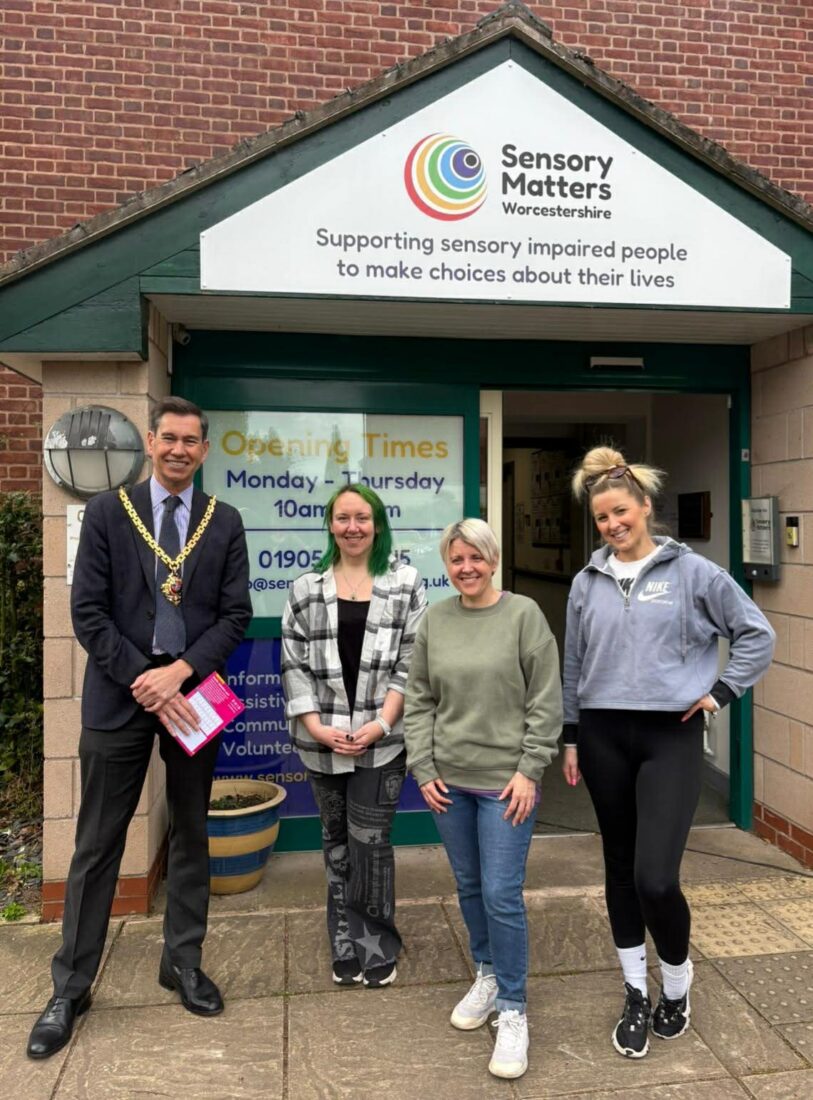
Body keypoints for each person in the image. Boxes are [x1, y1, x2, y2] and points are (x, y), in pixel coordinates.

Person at [27, 396, 252, 1060]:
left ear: (204, 451)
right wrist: (144, 677)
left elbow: (234, 615)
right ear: (150, 442)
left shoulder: (225, 521)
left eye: (193, 440)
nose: (180, 450)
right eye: (170, 438)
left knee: (190, 833)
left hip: (193, 694)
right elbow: (88, 612)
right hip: (121, 694)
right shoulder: (106, 513)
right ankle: (70, 987)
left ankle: (182, 963)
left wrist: (178, 672)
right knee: (97, 844)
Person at [562, 445, 775, 1060]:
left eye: (621, 512)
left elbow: (757, 634)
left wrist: (720, 693)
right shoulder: (586, 581)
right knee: (619, 871)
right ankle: (634, 991)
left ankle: (676, 987)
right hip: (603, 735)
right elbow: (574, 664)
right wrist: (572, 737)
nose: (613, 524)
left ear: (645, 506)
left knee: (656, 876)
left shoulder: (694, 573)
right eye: (602, 517)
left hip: (670, 736)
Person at [404, 518, 562, 1080]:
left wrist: (529, 769)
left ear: (492, 560)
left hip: (506, 785)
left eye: (475, 557)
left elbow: (546, 700)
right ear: (446, 565)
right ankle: (488, 974)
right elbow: (418, 699)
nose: (465, 567)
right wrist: (422, 767)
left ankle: (515, 1008)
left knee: (501, 892)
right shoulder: (435, 620)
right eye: (456, 559)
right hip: (449, 783)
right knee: (469, 886)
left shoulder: (523, 616)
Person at [281, 484, 426, 989]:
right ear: (330, 525)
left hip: (382, 741)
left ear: (378, 524)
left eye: (362, 517)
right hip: (322, 743)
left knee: (371, 843)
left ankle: (377, 940)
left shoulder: (406, 585)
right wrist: (318, 727)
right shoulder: (305, 589)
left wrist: (381, 724)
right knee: (335, 843)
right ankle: (343, 936)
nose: (353, 527)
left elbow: (412, 665)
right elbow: (293, 664)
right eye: (342, 518)